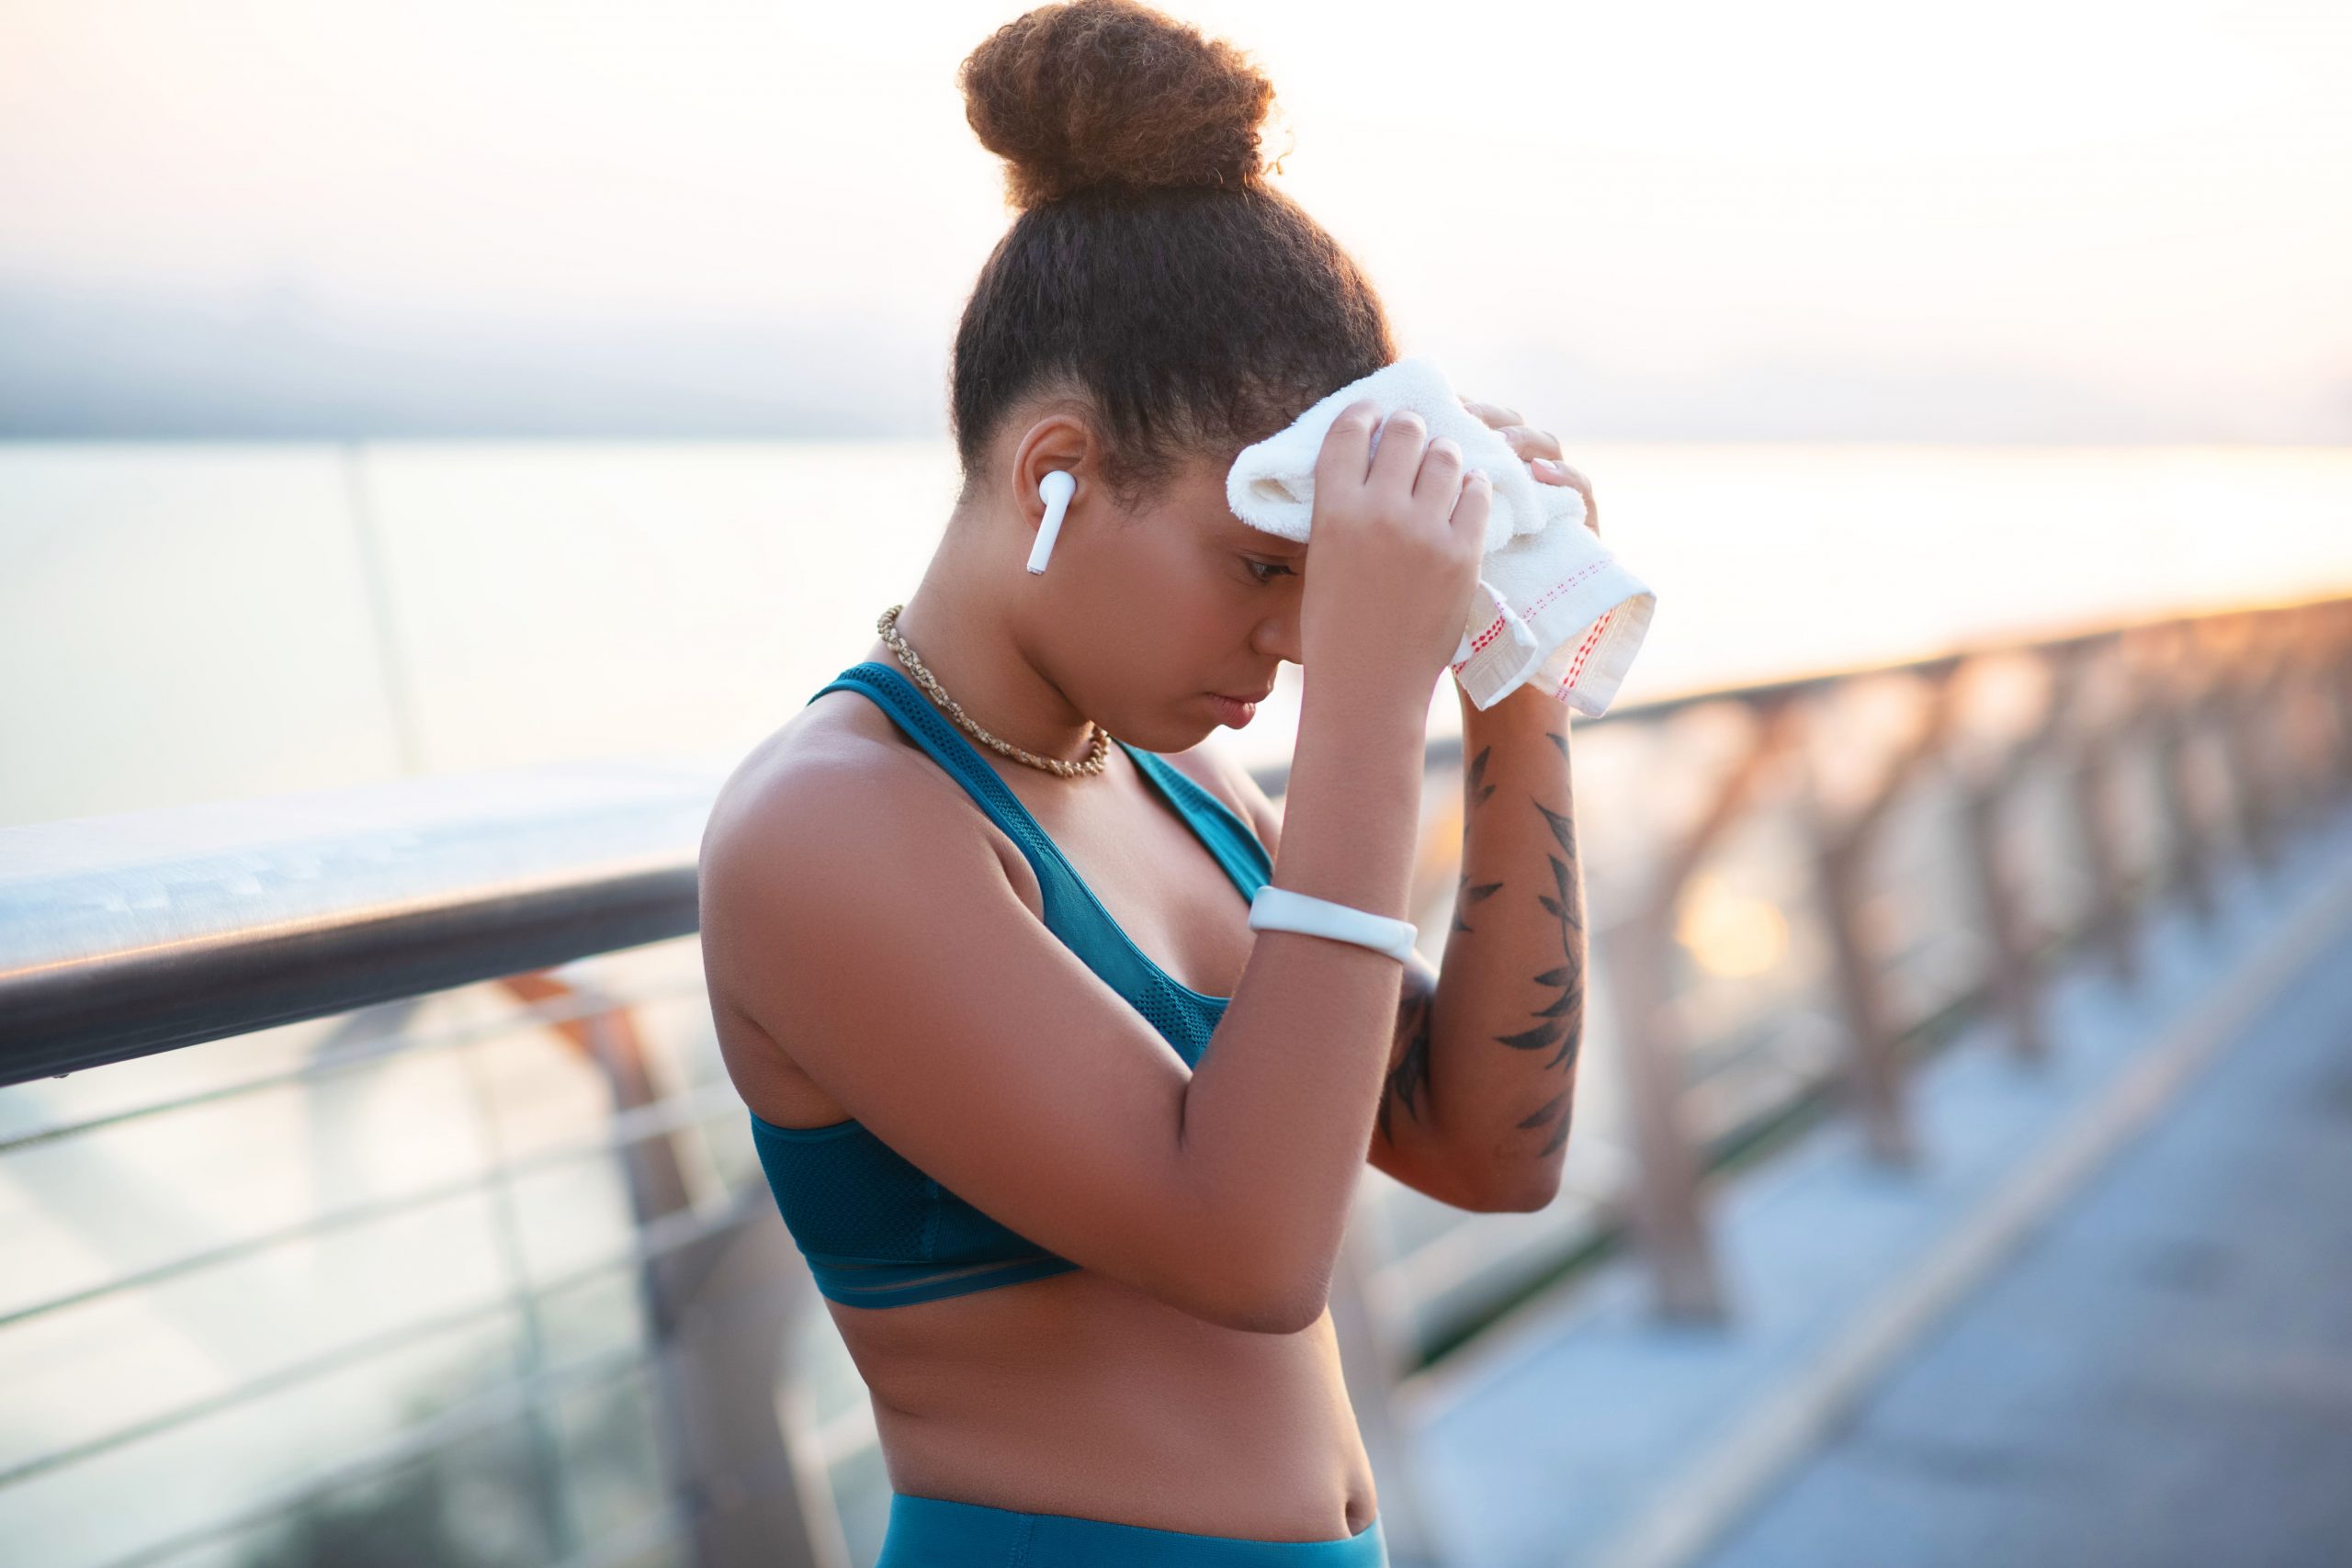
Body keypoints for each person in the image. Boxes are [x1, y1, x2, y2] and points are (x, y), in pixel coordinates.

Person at [697, 2, 1598, 1562]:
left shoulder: (1181, 789)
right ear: (1056, 476)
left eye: (1323, 584)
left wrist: (1514, 677)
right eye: (1260, 565)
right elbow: (1250, 1250)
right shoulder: (837, 824)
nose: (1297, 639)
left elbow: (1490, 1151)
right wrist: (1374, 711)